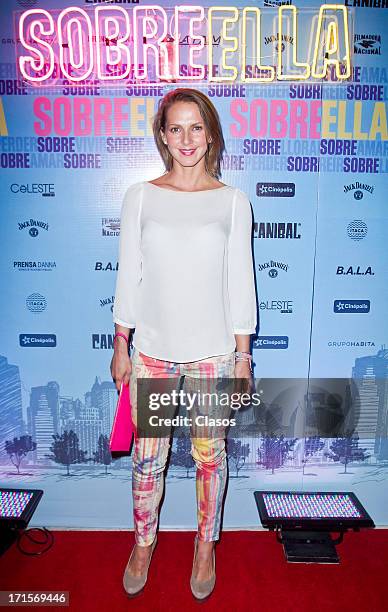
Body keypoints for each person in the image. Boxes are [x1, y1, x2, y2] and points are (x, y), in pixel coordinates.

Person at [110, 88, 257, 600]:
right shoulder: (141, 196)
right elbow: (130, 276)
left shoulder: (233, 202)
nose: (186, 139)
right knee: (148, 460)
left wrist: (243, 355)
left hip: (213, 354)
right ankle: (143, 544)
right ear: (163, 136)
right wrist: (121, 343)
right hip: (151, 350)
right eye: (176, 128)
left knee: (209, 457)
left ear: (211, 134)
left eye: (196, 127)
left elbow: (241, 283)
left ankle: (203, 545)